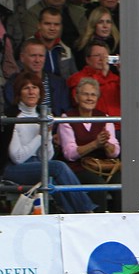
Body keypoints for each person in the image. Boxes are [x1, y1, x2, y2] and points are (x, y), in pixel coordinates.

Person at [3, 72, 97, 214]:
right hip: (13, 169)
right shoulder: (13, 116)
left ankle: (72, 217)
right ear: (18, 93)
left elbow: (46, 158)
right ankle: (86, 210)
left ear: (40, 92)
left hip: (37, 165)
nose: (31, 92)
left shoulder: (41, 115)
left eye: (34, 87)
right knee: (58, 168)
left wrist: (47, 136)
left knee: (54, 181)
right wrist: (41, 136)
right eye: (26, 88)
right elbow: (17, 158)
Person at [58, 76, 121, 212]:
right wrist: (95, 143)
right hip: (78, 167)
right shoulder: (67, 118)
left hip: (104, 166)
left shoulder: (104, 118)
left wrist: (105, 144)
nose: (89, 98)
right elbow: (70, 154)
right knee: (98, 185)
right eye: (85, 94)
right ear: (76, 97)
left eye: (93, 95)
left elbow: (115, 151)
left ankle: (120, 223)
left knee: (122, 182)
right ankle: (98, 224)